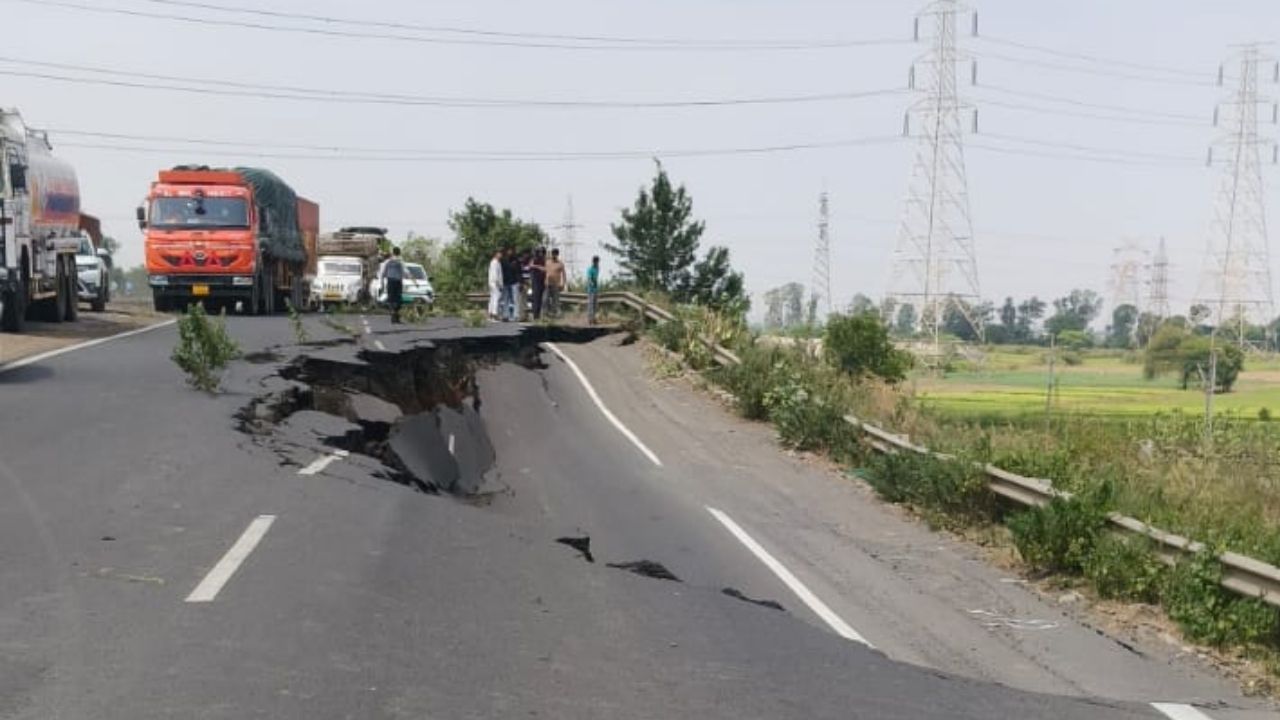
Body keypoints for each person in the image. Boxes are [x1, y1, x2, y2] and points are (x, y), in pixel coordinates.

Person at [381, 246, 406, 324]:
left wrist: (382, 282)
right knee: (398, 299)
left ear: (393, 253)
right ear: (399, 253)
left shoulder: (388, 261)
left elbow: (383, 273)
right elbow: (404, 271)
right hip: (398, 281)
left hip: (390, 281)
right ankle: (395, 316)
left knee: (391, 299)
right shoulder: (400, 261)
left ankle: (393, 314)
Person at [544, 248, 567, 319]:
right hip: (547, 284)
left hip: (556, 284)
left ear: (557, 255)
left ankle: (554, 315)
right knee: (545, 299)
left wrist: (563, 284)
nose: (553, 255)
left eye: (555, 254)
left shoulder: (560, 264)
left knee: (555, 300)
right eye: (552, 253)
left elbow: (564, 274)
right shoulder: (547, 262)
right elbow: (544, 272)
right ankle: (546, 314)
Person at [501, 247, 521, 321]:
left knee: (515, 299)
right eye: (509, 251)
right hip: (505, 282)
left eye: (511, 251)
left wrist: (520, 282)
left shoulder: (516, 261)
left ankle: (516, 315)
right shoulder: (503, 261)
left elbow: (519, 272)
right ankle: (505, 315)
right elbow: (501, 272)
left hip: (514, 282)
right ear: (506, 252)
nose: (510, 253)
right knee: (505, 299)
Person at [528, 248, 547, 320]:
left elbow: (545, 269)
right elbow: (530, 266)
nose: (541, 254)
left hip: (541, 281)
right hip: (536, 282)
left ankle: (537, 315)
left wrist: (537, 266)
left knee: (540, 299)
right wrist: (538, 267)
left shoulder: (543, 260)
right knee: (536, 298)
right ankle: (535, 315)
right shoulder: (534, 259)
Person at [487, 249, 504, 321]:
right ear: (496, 254)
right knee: (495, 299)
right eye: (499, 253)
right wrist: (499, 284)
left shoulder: (497, 262)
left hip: (493, 283)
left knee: (492, 298)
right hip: (495, 283)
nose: (501, 255)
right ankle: (494, 314)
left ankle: (490, 314)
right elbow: (495, 275)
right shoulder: (494, 262)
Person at [586, 255, 601, 326]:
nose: (596, 263)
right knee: (590, 305)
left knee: (595, 305)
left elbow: (596, 278)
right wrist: (591, 284)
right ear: (593, 262)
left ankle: (594, 319)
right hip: (591, 289)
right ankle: (590, 319)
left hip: (596, 289)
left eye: (597, 262)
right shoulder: (590, 269)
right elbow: (589, 278)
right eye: (595, 262)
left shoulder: (597, 268)